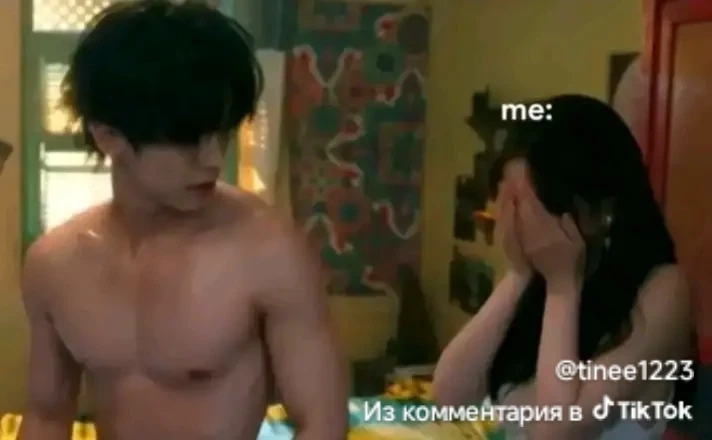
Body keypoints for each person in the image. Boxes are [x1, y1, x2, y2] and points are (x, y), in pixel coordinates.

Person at [19, 1, 348, 439]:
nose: (213, 160)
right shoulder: (53, 264)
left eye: (222, 134)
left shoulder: (267, 251)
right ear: (109, 136)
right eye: (188, 140)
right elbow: (46, 416)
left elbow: (323, 423)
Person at [433, 94, 693, 439]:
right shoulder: (534, 279)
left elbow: (557, 430)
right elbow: (449, 400)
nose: (520, 223)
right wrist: (519, 275)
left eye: (535, 206)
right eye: (511, 204)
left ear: (602, 210)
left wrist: (562, 287)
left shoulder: (662, 290)